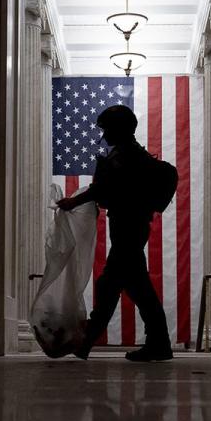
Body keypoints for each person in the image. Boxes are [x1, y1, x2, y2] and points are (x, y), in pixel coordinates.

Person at [57, 105, 173, 362]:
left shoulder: (127, 157)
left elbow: (105, 187)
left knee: (110, 283)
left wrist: (73, 202)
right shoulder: (130, 155)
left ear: (118, 129)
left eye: (106, 129)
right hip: (130, 226)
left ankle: (87, 342)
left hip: (129, 227)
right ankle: (158, 344)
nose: (103, 136)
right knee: (137, 287)